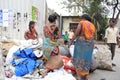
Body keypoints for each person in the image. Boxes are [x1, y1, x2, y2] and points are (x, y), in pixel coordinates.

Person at [69, 14, 95, 80]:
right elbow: (92, 36)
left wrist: (71, 42)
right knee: (87, 59)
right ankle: (86, 76)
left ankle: (79, 76)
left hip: (81, 44)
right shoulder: (92, 25)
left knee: (78, 58)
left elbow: (76, 33)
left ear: (83, 18)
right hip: (90, 44)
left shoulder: (82, 23)